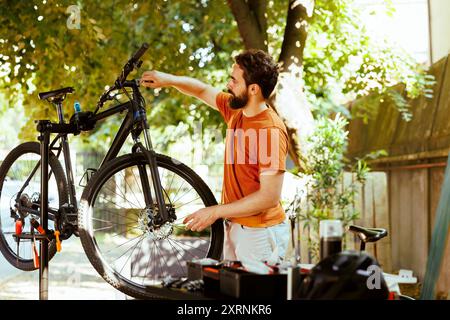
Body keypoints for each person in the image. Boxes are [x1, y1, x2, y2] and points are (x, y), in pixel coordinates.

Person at [140, 49, 289, 264]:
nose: (229, 85)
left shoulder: (269, 130)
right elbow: (201, 90)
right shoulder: (237, 111)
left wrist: (215, 212)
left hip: (260, 234)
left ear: (254, 89)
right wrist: (168, 80)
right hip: (236, 227)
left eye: (234, 81)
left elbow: (269, 197)